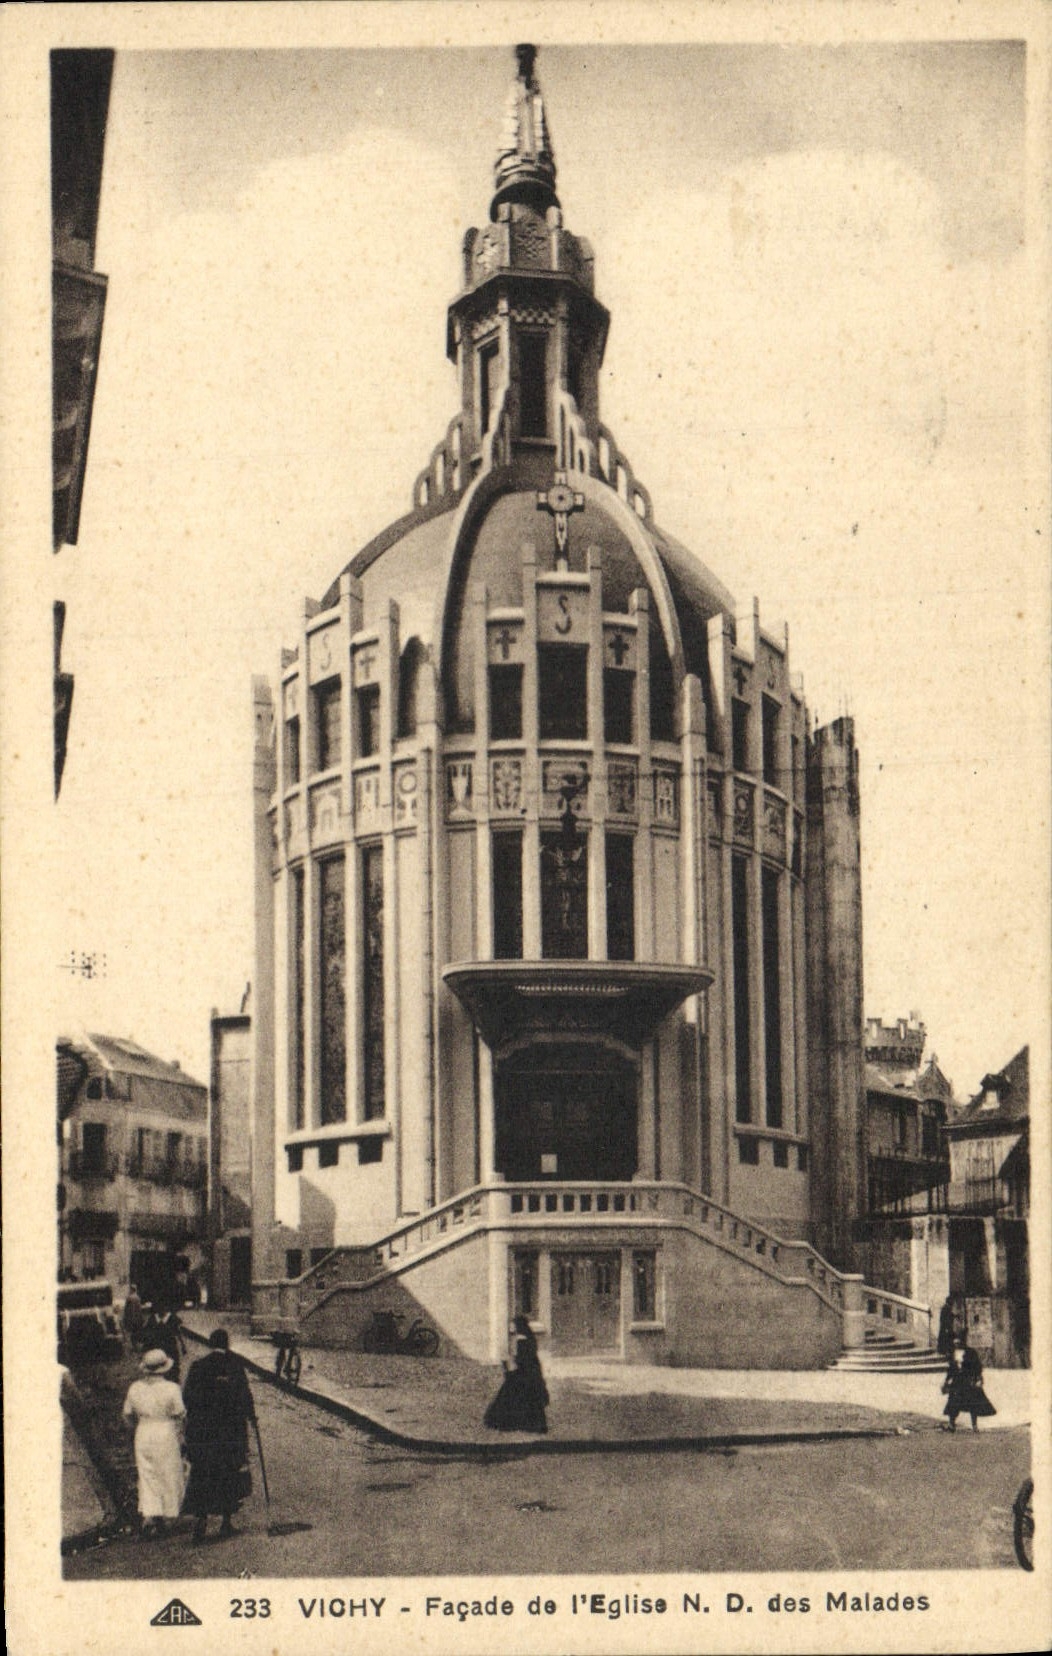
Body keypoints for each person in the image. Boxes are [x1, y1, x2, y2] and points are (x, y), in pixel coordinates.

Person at [182, 1328, 257, 1542]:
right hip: (229, 1432)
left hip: (204, 1433)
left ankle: (201, 1517)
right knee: (229, 1472)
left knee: (203, 1472)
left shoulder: (198, 1367)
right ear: (227, 1344)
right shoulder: (234, 1367)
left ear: (209, 1343)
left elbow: (187, 1398)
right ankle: (225, 1521)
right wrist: (251, 1418)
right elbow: (245, 1397)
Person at [122, 1349, 186, 1538]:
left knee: (147, 1473)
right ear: (164, 1369)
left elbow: (126, 1414)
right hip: (165, 1431)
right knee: (167, 1471)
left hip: (143, 1431)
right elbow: (180, 1414)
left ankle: (150, 1515)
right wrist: (181, 1434)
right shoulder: (171, 1388)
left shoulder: (135, 1388)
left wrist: (136, 1429)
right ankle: (167, 1513)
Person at [483, 1315, 549, 1434]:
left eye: (514, 1325)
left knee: (512, 1396)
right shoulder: (530, 1337)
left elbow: (522, 1359)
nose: (511, 1328)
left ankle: (511, 1423)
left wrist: (510, 1366)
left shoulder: (521, 1340)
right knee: (530, 1399)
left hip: (524, 1372)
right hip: (532, 1372)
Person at [942, 1344, 997, 1432]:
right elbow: (951, 1368)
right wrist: (946, 1381)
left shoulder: (970, 1352)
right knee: (953, 1403)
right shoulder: (952, 1352)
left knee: (972, 1404)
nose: (956, 1342)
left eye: (959, 1340)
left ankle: (974, 1426)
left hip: (968, 1381)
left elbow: (977, 1367)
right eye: (955, 1341)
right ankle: (951, 1425)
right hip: (957, 1382)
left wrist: (978, 1378)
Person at [148, 1303, 187, 1382]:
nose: (161, 1311)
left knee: (173, 1367)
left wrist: (183, 1346)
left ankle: (173, 1382)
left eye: (163, 1309)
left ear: (166, 1309)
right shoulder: (153, 1319)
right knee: (158, 1367)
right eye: (158, 1309)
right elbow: (148, 1332)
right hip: (157, 1346)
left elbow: (179, 1333)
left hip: (170, 1347)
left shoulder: (173, 1318)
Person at [122, 1285, 145, 1352]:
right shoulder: (138, 1298)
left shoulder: (129, 1298)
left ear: (131, 1290)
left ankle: (135, 1347)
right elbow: (139, 1309)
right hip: (137, 1318)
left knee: (133, 1333)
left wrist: (125, 1318)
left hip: (131, 1318)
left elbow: (126, 1309)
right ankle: (137, 1346)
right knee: (137, 1332)